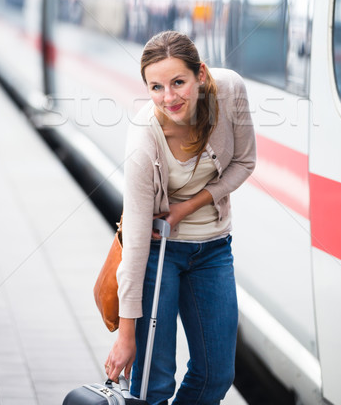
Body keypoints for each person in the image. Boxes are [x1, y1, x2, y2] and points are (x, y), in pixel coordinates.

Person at [105, 30, 256, 405]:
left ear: (200, 75)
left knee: (216, 375)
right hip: (159, 255)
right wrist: (126, 336)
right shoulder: (144, 140)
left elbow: (244, 162)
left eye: (178, 82)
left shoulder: (229, 91)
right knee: (154, 385)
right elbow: (137, 242)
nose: (168, 97)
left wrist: (187, 207)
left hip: (214, 249)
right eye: (156, 87)